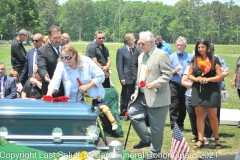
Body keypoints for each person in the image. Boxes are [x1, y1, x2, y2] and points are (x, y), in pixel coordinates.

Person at [46, 44, 118, 130]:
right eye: (63, 58)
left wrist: (88, 86)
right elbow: (55, 81)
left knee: (88, 125)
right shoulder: (61, 65)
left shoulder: (86, 61)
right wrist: (49, 94)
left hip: (89, 99)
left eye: (68, 57)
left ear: (75, 54)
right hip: (71, 100)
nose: (66, 60)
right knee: (72, 125)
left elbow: (101, 76)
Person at [128, 31, 172, 159]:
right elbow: (141, 75)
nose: (140, 45)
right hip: (141, 96)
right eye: (139, 43)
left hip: (157, 96)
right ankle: (147, 139)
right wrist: (136, 91)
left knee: (156, 127)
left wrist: (156, 83)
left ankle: (155, 152)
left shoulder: (162, 55)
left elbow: (167, 74)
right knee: (132, 113)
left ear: (151, 43)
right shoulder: (141, 55)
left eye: (142, 43)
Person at [188, 38, 222, 149]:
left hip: (212, 89)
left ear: (207, 48)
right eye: (198, 47)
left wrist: (209, 79)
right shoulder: (194, 59)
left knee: (212, 115)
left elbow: (219, 76)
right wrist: (197, 79)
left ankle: (216, 138)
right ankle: (200, 140)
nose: (200, 49)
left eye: (202, 47)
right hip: (198, 89)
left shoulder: (214, 59)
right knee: (200, 115)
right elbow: (189, 75)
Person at [169, 36, 192, 131]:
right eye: (177, 45)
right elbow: (166, 72)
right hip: (174, 83)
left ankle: (180, 123)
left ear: (185, 46)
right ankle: (174, 125)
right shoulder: (171, 57)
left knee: (183, 105)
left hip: (185, 85)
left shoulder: (190, 57)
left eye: (181, 45)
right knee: (174, 104)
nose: (179, 47)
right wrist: (174, 71)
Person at [37, 25, 64, 97]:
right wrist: (45, 75)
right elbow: (41, 67)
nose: (58, 40)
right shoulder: (43, 51)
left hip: (66, 89)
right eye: (55, 38)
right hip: (50, 89)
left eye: (59, 37)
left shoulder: (66, 48)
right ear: (49, 38)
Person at [116, 33, 136, 119]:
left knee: (133, 95)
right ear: (127, 40)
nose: (134, 40)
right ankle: (123, 113)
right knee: (125, 95)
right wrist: (122, 77)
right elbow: (119, 65)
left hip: (134, 77)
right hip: (126, 77)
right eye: (133, 39)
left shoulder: (135, 50)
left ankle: (131, 112)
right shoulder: (121, 50)